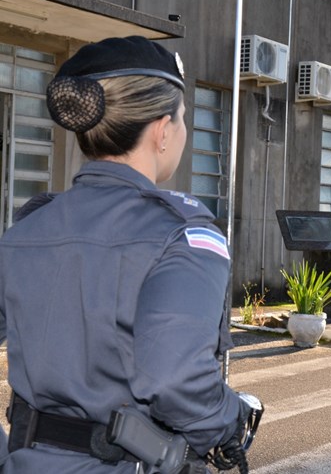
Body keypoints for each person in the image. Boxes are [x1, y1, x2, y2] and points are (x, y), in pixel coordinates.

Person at [0, 36, 261, 473]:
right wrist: (231, 422)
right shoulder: (183, 234)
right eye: (182, 119)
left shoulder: (27, 229)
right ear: (162, 130)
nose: (181, 131)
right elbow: (175, 380)